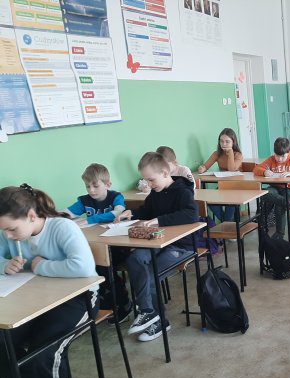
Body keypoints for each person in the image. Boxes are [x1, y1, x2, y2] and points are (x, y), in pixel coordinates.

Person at [0, 184, 99, 378]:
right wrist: (5, 265)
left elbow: (83, 267)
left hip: (79, 299)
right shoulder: (10, 234)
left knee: (43, 355)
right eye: (3, 230)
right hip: (37, 301)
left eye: (12, 229)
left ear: (31, 216)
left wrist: (40, 266)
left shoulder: (62, 227)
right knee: (2, 345)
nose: (7, 235)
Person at [116, 152, 198, 342]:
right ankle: (150, 313)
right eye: (146, 180)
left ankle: (158, 321)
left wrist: (159, 220)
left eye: (151, 180)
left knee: (150, 273)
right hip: (157, 241)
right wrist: (132, 213)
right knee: (135, 259)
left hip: (180, 245)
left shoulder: (183, 191)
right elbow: (147, 211)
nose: (149, 184)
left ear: (164, 172)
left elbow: (191, 215)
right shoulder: (156, 192)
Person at [65, 163, 130, 317]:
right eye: (87, 186)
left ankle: (123, 302)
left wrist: (90, 220)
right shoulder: (84, 201)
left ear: (108, 184)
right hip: (96, 245)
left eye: (95, 186)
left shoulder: (116, 197)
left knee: (105, 269)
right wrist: (49, 215)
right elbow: (67, 213)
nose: (91, 190)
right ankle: (105, 300)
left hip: (117, 245)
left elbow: (117, 213)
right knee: (90, 268)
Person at [253, 137, 290, 239]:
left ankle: (279, 234)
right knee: (263, 193)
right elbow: (256, 169)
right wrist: (264, 172)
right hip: (276, 187)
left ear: (288, 152)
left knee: (279, 205)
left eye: (282, 156)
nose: (279, 159)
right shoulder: (271, 159)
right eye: (277, 155)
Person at [197, 128, 244, 223]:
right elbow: (206, 166)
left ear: (233, 142)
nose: (224, 144)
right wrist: (202, 168)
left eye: (227, 141)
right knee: (208, 199)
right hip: (223, 186)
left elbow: (232, 169)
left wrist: (230, 153)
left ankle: (227, 223)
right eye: (221, 141)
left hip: (236, 186)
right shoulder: (217, 154)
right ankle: (227, 222)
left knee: (230, 200)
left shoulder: (238, 155)